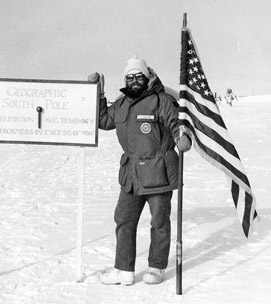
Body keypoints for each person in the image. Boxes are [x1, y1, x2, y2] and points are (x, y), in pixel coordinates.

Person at [88, 55, 191, 286]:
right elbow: (104, 121)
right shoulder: (122, 103)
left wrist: (181, 137)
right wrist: (98, 95)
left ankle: (156, 267)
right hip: (131, 174)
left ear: (147, 77)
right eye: (130, 77)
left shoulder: (161, 100)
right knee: (124, 219)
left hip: (159, 172)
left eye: (139, 76)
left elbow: (175, 123)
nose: (134, 80)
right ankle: (123, 270)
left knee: (159, 222)